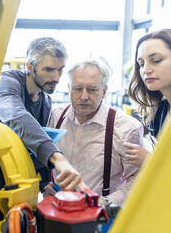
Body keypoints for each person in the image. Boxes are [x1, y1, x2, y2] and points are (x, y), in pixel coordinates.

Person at [0, 37, 85, 191]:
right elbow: (18, 117)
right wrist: (59, 159)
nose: (56, 77)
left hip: (17, 181)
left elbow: (33, 145)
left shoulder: (45, 101)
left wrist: (44, 185)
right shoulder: (6, 83)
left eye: (60, 69)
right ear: (30, 66)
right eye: (48, 69)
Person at [46, 60, 143, 206]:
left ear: (104, 91)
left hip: (102, 218)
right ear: (69, 88)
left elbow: (138, 177)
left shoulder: (127, 128)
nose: (84, 96)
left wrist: (106, 202)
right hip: (58, 208)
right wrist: (45, 184)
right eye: (78, 88)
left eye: (92, 90)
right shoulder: (55, 117)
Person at [124, 29, 171, 167]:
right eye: (141, 64)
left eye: (156, 60)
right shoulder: (160, 111)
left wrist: (151, 161)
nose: (146, 70)